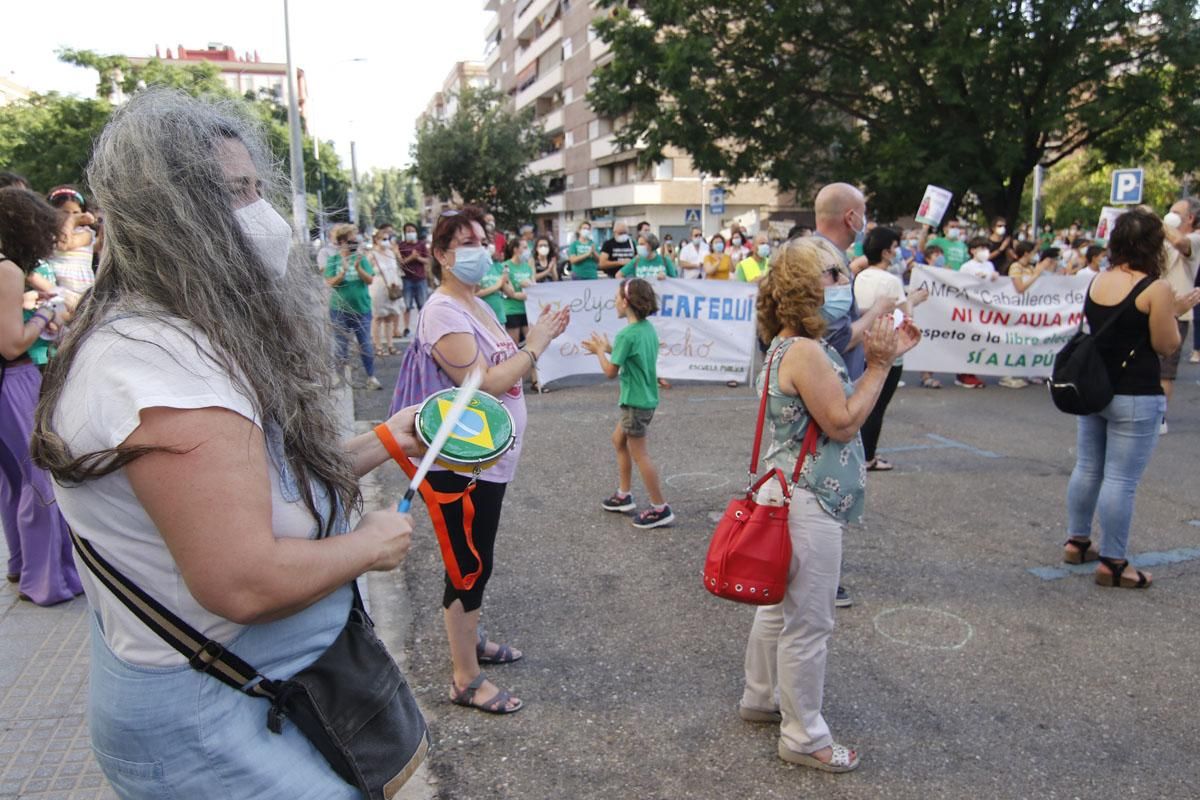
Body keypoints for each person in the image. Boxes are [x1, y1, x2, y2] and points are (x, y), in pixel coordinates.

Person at [30, 89, 426, 797]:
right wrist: (370, 544)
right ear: (172, 215)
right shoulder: (156, 366)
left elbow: (254, 489)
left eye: (257, 188)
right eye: (236, 193)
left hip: (261, 694)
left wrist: (384, 440)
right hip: (210, 727)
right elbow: (243, 579)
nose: (264, 216)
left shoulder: (171, 334)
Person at [739, 236, 920, 773]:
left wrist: (882, 350)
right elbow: (842, 420)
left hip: (785, 489)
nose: (846, 285)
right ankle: (803, 735)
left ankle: (760, 696)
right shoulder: (806, 352)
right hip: (809, 499)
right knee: (809, 622)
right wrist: (881, 368)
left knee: (777, 607)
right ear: (806, 289)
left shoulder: (788, 344)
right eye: (836, 276)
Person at [393, 205, 569, 714]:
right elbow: (480, 383)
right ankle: (464, 678)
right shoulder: (444, 311)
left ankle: (472, 643)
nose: (480, 250)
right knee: (467, 563)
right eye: (465, 243)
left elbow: (500, 363)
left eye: (482, 239)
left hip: (487, 462)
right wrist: (535, 347)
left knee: (478, 559)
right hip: (460, 466)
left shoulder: (473, 302)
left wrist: (533, 345)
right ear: (444, 256)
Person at [1063, 209, 1200, 589]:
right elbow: (1165, 344)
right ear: (1154, 245)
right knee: (1121, 480)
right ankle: (1114, 562)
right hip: (1135, 393)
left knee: (1088, 468)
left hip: (1095, 388)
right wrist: (1177, 310)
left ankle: (1077, 542)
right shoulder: (1155, 287)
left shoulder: (1098, 280)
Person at [0, 187, 83, 606]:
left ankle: (21, 566)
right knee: (41, 483)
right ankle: (48, 580)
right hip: (13, 381)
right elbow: (13, 344)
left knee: (13, 484)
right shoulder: (8, 269)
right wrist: (46, 316)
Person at [582, 278, 674, 529]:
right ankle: (624, 495)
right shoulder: (646, 329)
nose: (614, 303)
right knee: (618, 440)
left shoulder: (626, 334)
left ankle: (660, 508)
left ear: (626, 302)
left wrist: (601, 351)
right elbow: (630, 353)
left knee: (640, 455)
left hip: (635, 402)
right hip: (644, 400)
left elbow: (611, 371)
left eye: (615, 299)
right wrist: (604, 347)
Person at [854, 228, 928, 470]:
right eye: (895, 247)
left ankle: (859, 454)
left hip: (861, 346)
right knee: (876, 406)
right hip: (886, 349)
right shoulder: (889, 281)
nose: (897, 252)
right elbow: (905, 317)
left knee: (860, 401)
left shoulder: (860, 276)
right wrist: (914, 300)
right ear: (885, 252)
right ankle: (868, 457)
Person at [1159, 198, 1200, 431]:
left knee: (1166, 368)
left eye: (1175, 212)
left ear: (1190, 218)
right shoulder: (1162, 237)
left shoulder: (1195, 238)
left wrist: (1156, 220)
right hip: (1154, 306)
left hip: (1179, 313)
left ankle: (1159, 417)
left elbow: (1181, 243)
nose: (1169, 215)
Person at [325, 223, 381, 390]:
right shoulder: (333, 260)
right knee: (340, 345)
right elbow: (330, 282)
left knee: (365, 344)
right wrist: (341, 274)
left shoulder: (361, 259)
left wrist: (357, 268)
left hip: (362, 309)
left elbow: (370, 280)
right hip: (339, 310)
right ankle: (339, 378)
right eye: (351, 240)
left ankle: (371, 376)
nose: (354, 242)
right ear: (342, 242)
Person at [45, 186, 98, 306]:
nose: (70, 216)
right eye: (65, 213)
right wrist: (73, 219)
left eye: (75, 213)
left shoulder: (85, 233)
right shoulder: (48, 234)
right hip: (53, 289)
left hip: (79, 291)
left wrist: (72, 221)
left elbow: (65, 244)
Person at [368, 225, 404, 356]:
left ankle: (390, 345)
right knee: (378, 317)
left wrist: (396, 251)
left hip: (392, 287)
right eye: (383, 239)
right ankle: (378, 346)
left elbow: (399, 267)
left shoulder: (391, 253)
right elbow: (367, 271)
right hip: (378, 288)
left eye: (387, 238)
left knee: (390, 317)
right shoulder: (372, 255)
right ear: (376, 240)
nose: (386, 241)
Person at [397, 221, 430, 337]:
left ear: (416, 232)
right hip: (407, 279)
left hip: (420, 278)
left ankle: (424, 327)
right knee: (407, 305)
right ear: (404, 233)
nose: (410, 233)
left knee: (422, 304)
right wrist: (411, 257)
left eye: (412, 231)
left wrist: (418, 257)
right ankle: (406, 328)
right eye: (408, 231)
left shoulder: (421, 244)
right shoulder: (401, 245)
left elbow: (427, 260)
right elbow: (401, 263)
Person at [502, 237, 535, 347]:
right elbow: (505, 287)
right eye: (524, 247)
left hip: (527, 309)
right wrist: (516, 293)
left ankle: (532, 364)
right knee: (514, 344)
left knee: (531, 342)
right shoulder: (506, 266)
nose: (527, 250)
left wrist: (530, 284)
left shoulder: (527, 267)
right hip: (512, 310)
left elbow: (534, 286)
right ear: (516, 249)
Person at [478, 246, 513, 325]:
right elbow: (475, 293)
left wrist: (503, 283)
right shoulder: (476, 267)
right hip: (482, 317)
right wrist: (497, 286)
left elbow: (511, 292)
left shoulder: (498, 266)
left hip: (499, 317)